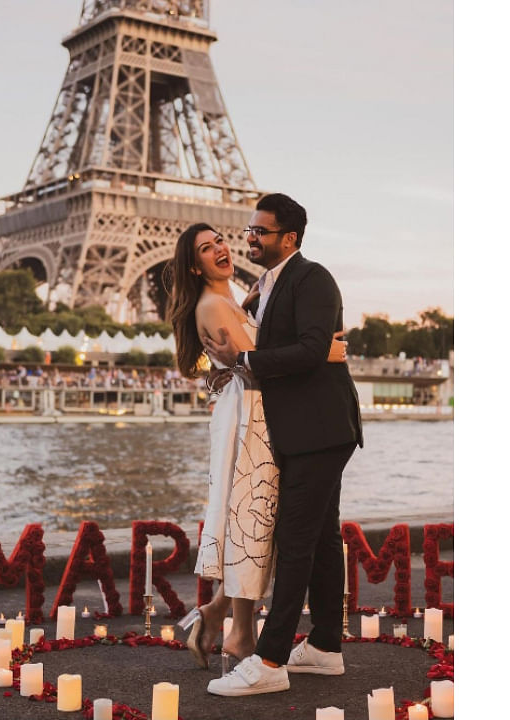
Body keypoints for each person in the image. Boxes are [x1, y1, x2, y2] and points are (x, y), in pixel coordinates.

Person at [164, 221, 347, 672]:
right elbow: (258, 363)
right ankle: (237, 632)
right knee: (252, 518)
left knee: (255, 519)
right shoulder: (213, 304)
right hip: (251, 415)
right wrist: (322, 350)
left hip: (259, 411)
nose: (221, 249)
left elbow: (255, 350)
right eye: (207, 248)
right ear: (194, 264)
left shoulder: (234, 297)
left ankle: (224, 620)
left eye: (220, 240)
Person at [201, 193, 364, 697]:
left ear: (288, 238)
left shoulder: (312, 278)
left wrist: (249, 361)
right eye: (249, 230)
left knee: (295, 541)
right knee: (317, 540)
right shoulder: (267, 286)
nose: (249, 238)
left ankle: (270, 660)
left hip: (319, 430)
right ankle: (324, 648)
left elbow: (315, 349)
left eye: (260, 232)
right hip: (308, 429)